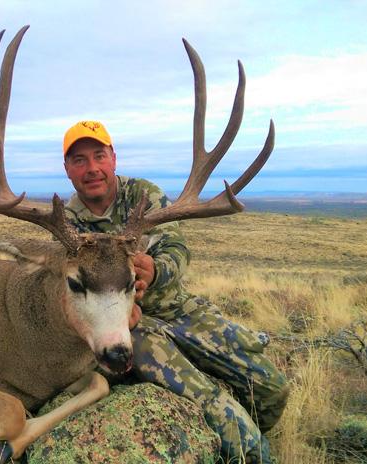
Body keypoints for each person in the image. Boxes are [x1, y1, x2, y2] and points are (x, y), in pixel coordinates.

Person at [61, 120, 289, 464]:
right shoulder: (65, 225)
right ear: (67, 169)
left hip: (177, 310)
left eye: (99, 156)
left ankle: (250, 437)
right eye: (79, 160)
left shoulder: (142, 195)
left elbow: (176, 247)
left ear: (113, 158)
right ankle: (245, 451)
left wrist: (156, 270)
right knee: (214, 406)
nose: (92, 168)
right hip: (128, 329)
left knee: (272, 389)